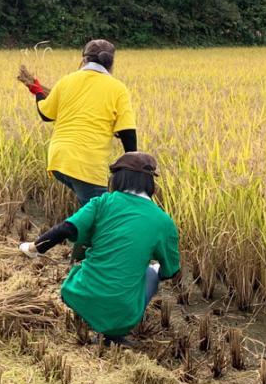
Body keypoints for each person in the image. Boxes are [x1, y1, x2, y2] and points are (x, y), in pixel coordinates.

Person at [18, 152, 180, 346]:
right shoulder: (163, 222)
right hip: (122, 319)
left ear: (117, 179)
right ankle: (112, 330)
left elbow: (66, 229)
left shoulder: (102, 202)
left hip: (77, 294)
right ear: (150, 183)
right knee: (150, 271)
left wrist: (33, 248)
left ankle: (89, 314)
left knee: (91, 257)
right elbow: (171, 270)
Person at [19, 40, 137, 257]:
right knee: (102, 214)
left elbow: (46, 113)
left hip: (59, 159)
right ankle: (38, 248)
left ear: (83, 59)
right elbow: (128, 132)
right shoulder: (117, 88)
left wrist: (37, 91)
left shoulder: (67, 81)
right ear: (112, 64)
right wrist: (134, 165)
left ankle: (77, 256)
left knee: (91, 212)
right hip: (86, 164)